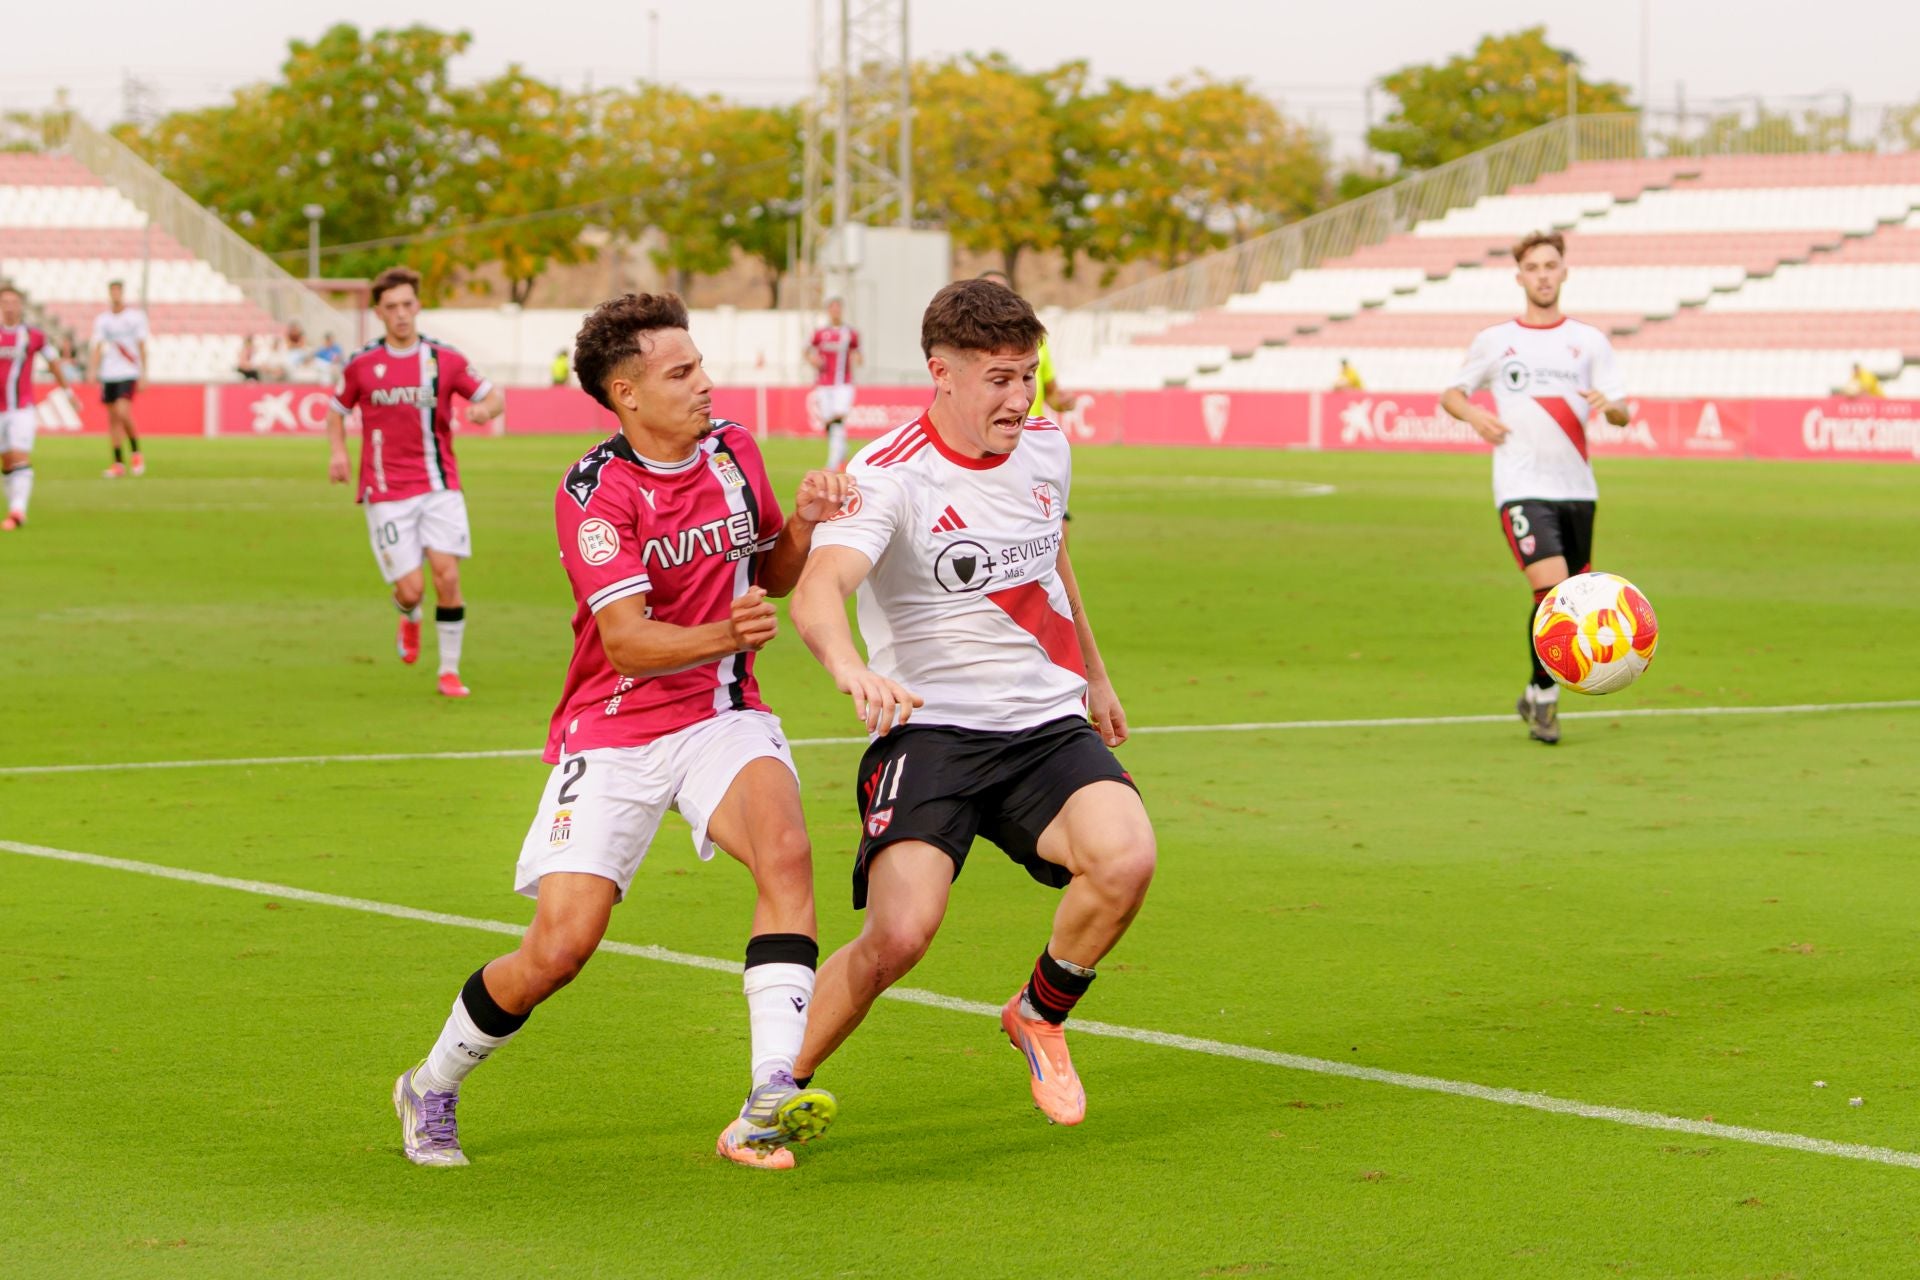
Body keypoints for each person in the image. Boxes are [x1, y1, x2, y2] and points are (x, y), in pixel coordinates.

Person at [391, 292, 852, 1171]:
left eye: (701, 363)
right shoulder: (595, 493)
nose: (706, 383)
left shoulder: (735, 451)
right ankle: (433, 1081)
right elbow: (626, 640)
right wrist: (728, 631)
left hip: (722, 712)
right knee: (559, 949)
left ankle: (768, 1098)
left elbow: (775, 573)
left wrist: (799, 524)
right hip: (612, 728)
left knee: (787, 855)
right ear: (627, 392)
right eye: (682, 372)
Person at [788, 279, 1157, 1127]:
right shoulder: (886, 475)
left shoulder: (1048, 443)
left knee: (1126, 858)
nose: (1018, 397)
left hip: (1043, 726)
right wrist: (851, 670)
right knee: (900, 937)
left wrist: (1095, 676)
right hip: (933, 732)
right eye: (998, 379)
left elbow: (1052, 560)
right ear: (940, 374)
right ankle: (777, 1084)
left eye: (1027, 375)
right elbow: (817, 595)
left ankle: (1038, 1014)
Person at [1440, 230, 1629, 746]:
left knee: (1571, 599)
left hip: (1578, 489)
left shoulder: (1589, 341)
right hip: (1521, 486)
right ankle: (1547, 704)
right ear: (1519, 276)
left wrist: (1609, 407)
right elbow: (1451, 394)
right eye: (1534, 267)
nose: (1543, 275)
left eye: (1551, 265)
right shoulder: (1497, 340)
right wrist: (1477, 415)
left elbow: (1621, 410)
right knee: (1550, 592)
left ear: (1564, 272)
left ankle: (1534, 688)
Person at [325, 266, 505, 698]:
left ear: (418, 306)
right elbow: (336, 410)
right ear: (379, 313)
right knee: (412, 589)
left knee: (446, 576)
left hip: (439, 485)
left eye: (408, 305)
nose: (401, 314)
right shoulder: (363, 364)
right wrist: (337, 452)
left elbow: (493, 396)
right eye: (392, 307)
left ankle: (448, 670)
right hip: (385, 491)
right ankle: (408, 614)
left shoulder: (446, 360)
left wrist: (484, 412)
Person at [0, 285, 75, 531]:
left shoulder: (34, 336)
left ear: (20, 305)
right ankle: (16, 506)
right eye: (5, 301)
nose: (10, 306)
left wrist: (67, 390)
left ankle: (18, 511)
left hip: (22, 407)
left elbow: (53, 362)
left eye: (14, 301)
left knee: (20, 454)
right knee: (8, 461)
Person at [87, 280, 148, 479]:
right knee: (113, 419)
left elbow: (141, 345)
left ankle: (136, 453)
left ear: (122, 293)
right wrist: (93, 370)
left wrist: (144, 372)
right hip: (109, 373)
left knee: (123, 412)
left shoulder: (135, 318)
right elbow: (97, 345)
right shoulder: (103, 320)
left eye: (118, 291)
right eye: (112, 291)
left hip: (128, 371)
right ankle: (118, 463)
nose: (115, 295)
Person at [805, 296, 859, 471]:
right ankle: (842, 449)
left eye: (838, 308)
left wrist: (857, 359)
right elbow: (806, 351)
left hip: (844, 383)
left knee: (838, 418)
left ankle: (833, 463)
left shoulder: (850, 333)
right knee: (830, 423)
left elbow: (858, 352)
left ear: (841, 310)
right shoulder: (820, 333)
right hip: (824, 383)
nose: (835, 311)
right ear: (828, 311)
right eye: (832, 308)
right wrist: (812, 360)